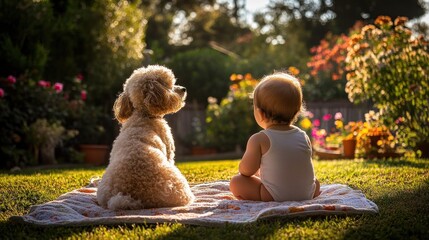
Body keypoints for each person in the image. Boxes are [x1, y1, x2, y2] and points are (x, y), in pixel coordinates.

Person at [229, 72, 320, 202]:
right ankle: (303, 191)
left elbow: (246, 171)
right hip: (307, 194)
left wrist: (243, 167)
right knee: (315, 181)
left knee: (236, 181)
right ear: (296, 111)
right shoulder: (303, 136)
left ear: (260, 114)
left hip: (273, 196)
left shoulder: (259, 139)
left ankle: (269, 195)